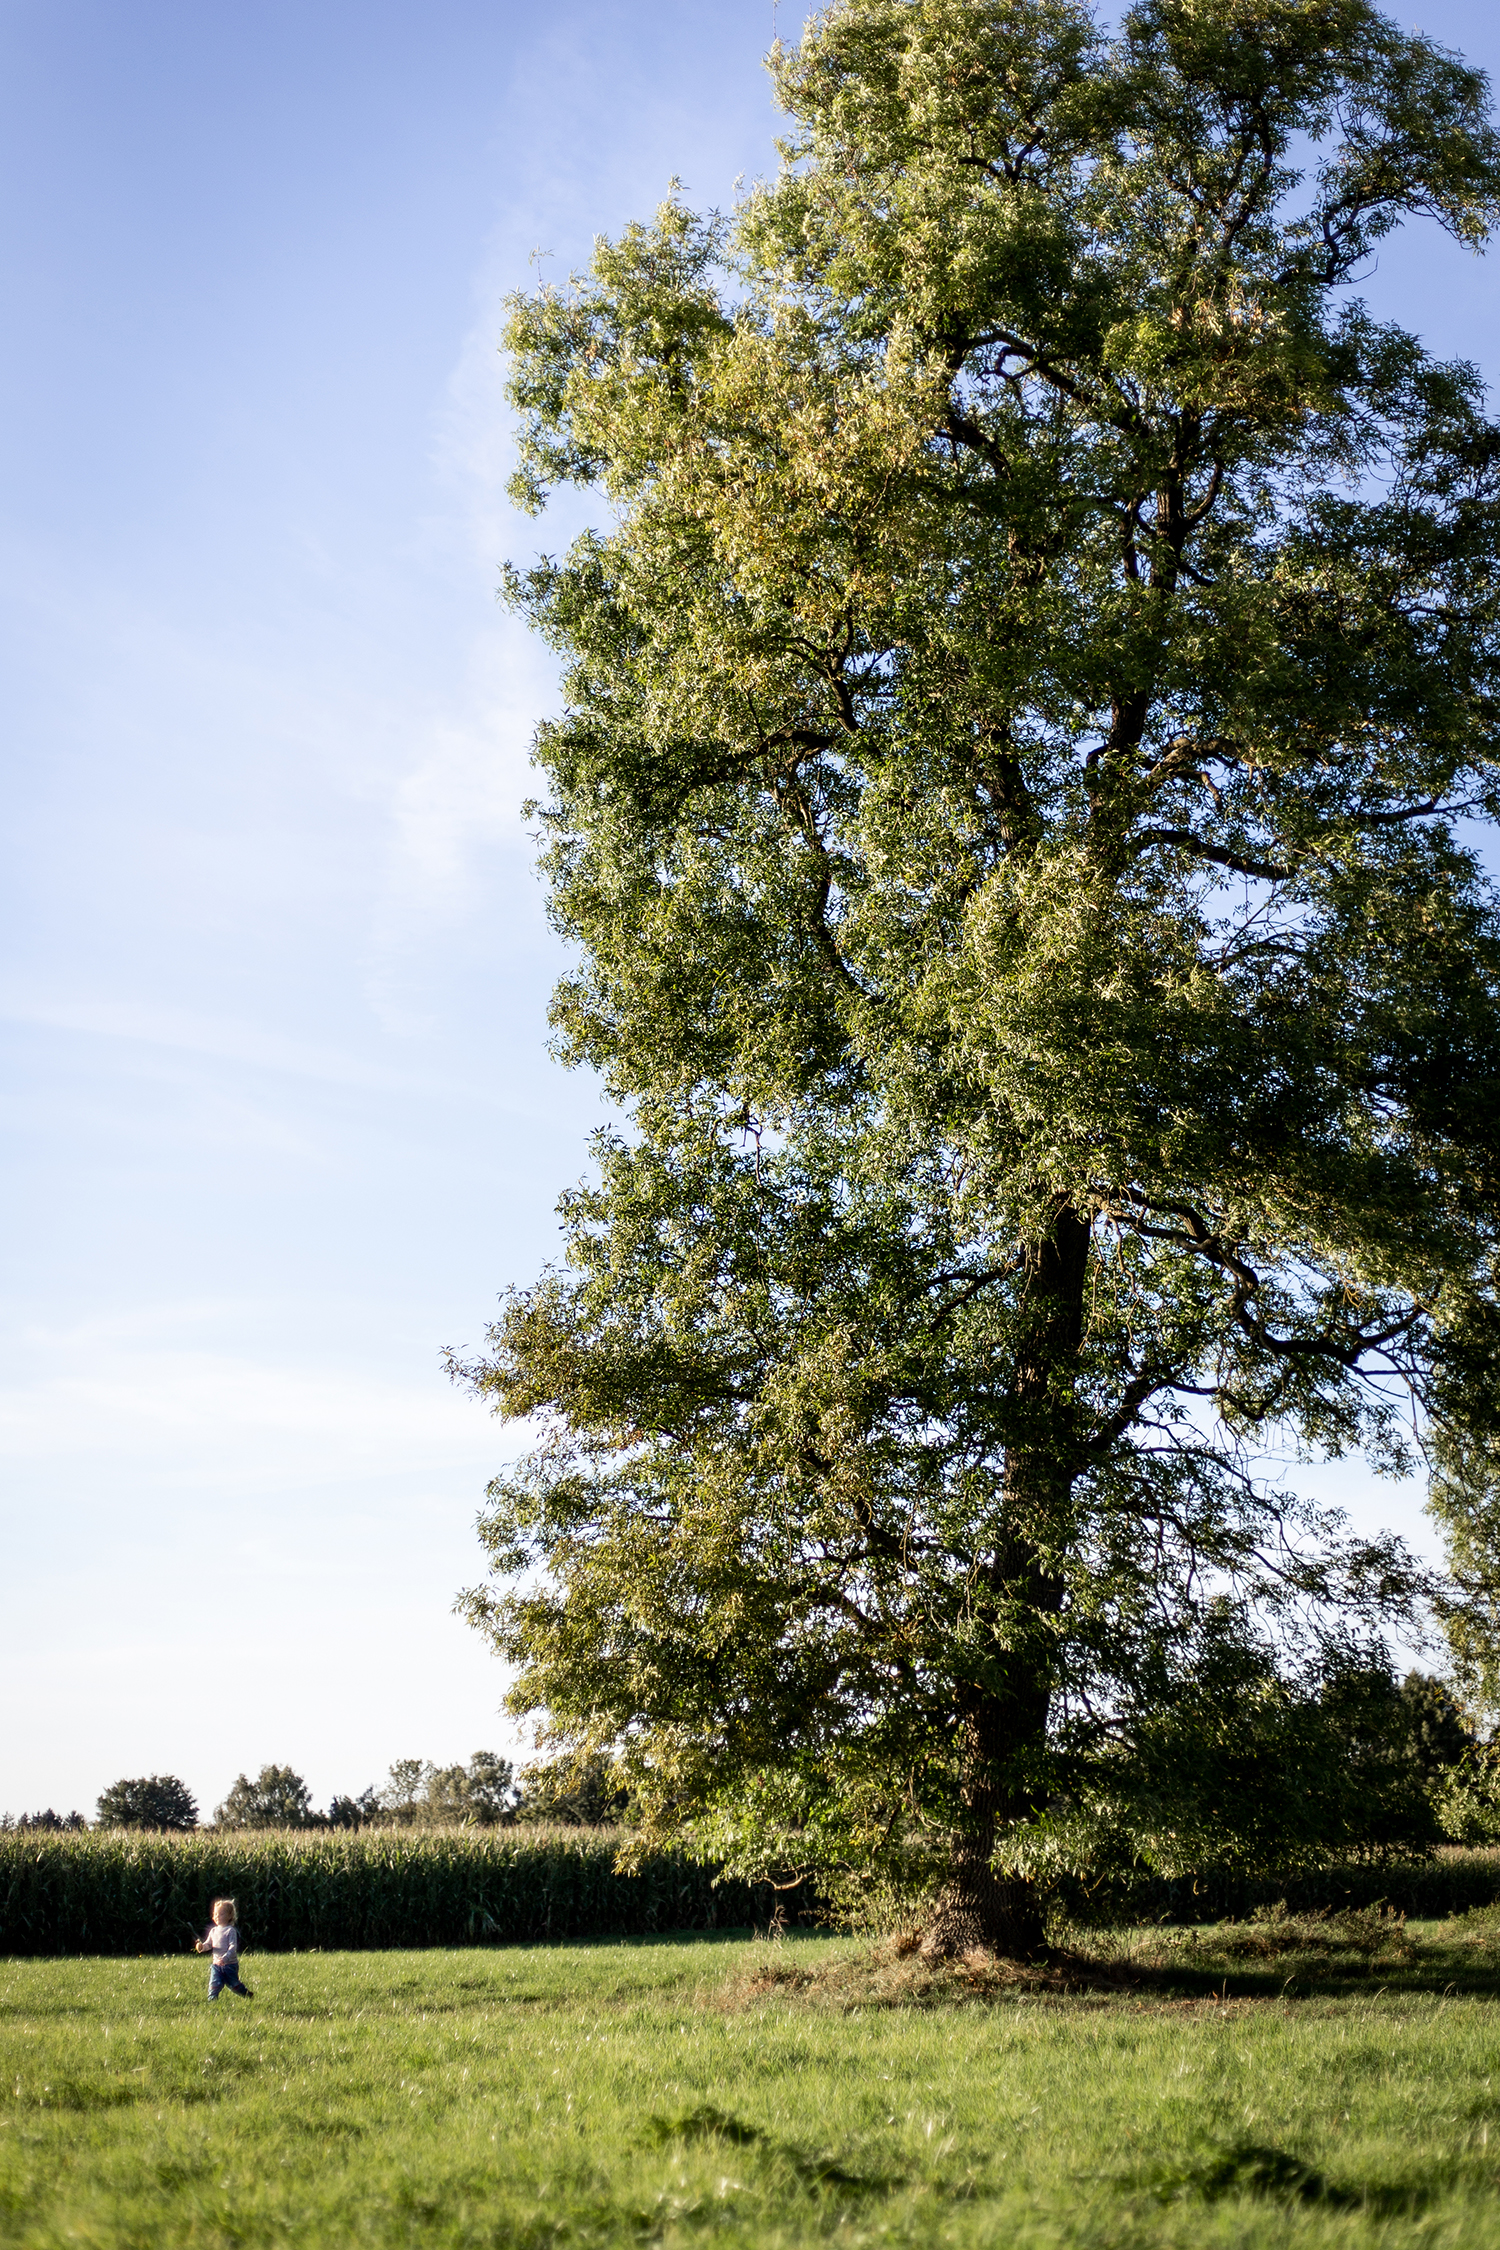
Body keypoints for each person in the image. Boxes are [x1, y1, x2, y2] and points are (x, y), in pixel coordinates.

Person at [195, 1896, 253, 2000]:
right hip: (216, 1965)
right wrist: (201, 1947)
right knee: (214, 1984)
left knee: (234, 1985)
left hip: (229, 1965)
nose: (217, 1916)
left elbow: (232, 1946)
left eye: (221, 1914)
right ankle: (212, 2000)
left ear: (229, 1916)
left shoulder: (230, 1931)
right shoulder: (213, 1931)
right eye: (215, 1914)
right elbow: (208, 1944)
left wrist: (226, 1957)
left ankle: (246, 1994)